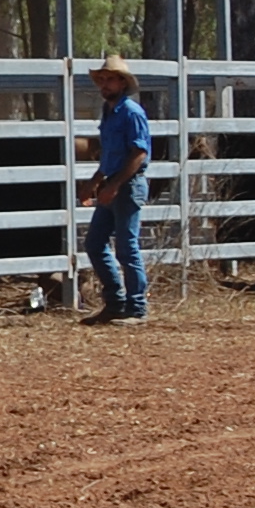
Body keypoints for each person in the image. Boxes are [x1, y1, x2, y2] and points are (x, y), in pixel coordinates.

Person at [80, 53, 152, 325]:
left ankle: (136, 307)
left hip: (128, 184)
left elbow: (138, 153)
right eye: (102, 79)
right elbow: (110, 153)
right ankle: (115, 302)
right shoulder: (109, 112)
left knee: (126, 246)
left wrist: (114, 184)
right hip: (112, 181)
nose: (105, 84)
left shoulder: (131, 112)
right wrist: (96, 181)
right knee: (95, 243)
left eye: (110, 79)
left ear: (122, 83)